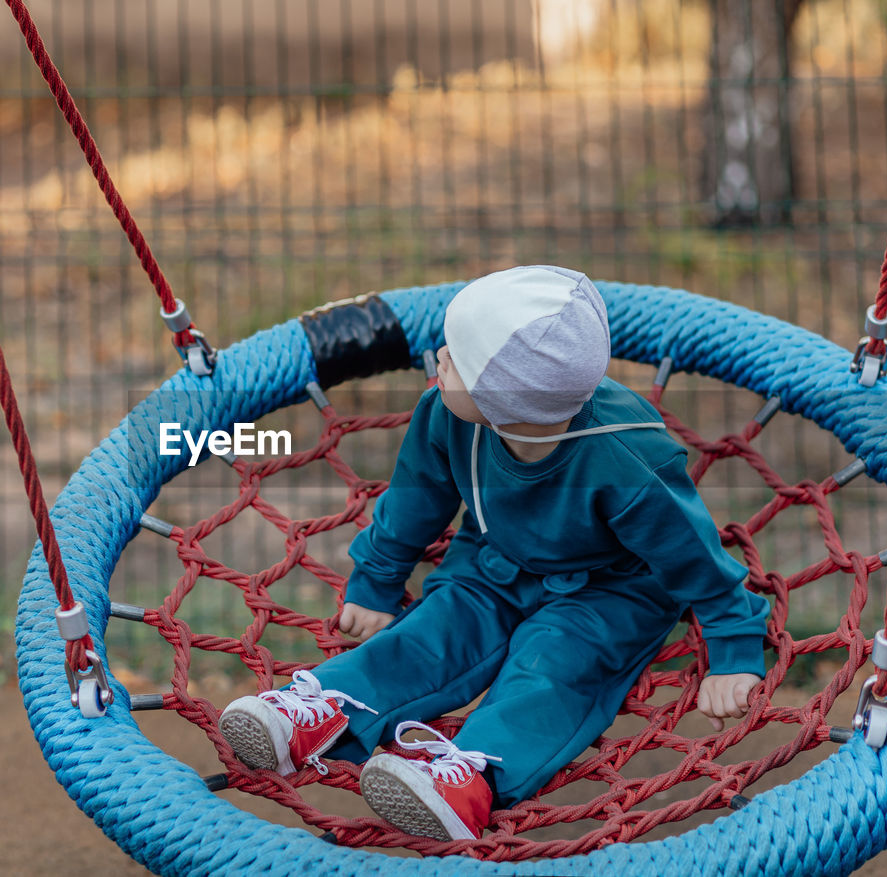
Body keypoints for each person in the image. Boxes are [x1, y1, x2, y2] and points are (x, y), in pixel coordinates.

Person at [217, 265, 770, 841]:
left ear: (503, 399)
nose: (438, 358)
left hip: (614, 589)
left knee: (553, 666)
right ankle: (324, 711)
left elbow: (694, 557)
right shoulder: (448, 413)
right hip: (495, 559)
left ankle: (472, 775)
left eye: (455, 357)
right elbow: (416, 497)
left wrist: (733, 650)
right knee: (433, 630)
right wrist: (378, 579)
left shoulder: (629, 458)